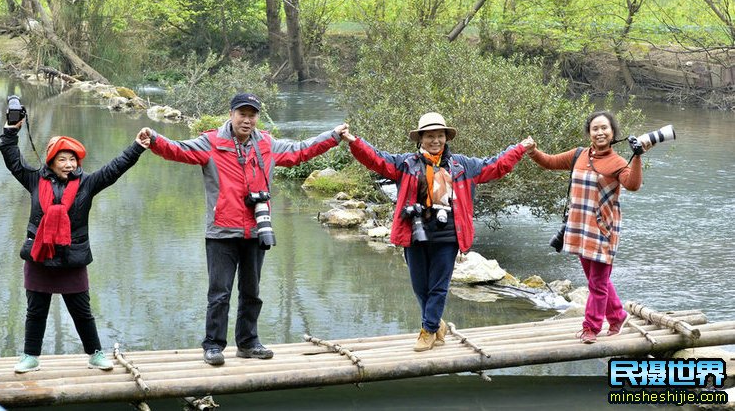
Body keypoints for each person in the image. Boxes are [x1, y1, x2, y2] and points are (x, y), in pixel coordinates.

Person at [137, 92, 348, 366]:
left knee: (252, 292)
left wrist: (332, 136)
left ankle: (248, 343)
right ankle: (213, 345)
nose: (247, 120)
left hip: (256, 231)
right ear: (231, 114)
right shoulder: (211, 142)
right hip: (221, 232)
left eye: (252, 115)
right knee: (219, 293)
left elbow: (300, 151)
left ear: (256, 118)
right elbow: (179, 149)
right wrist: (154, 139)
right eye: (242, 114)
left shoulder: (268, 144)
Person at [339, 112, 534, 352]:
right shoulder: (406, 164)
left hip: (449, 235)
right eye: (430, 136)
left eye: (440, 136)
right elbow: (376, 159)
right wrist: (353, 141)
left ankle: (428, 329)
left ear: (446, 138)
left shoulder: (462, 165)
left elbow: (495, 165)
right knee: (420, 287)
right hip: (415, 233)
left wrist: (520, 148)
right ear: (420, 138)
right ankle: (436, 324)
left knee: (439, 286)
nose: (435, 140)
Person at [0, 119, 148, 373]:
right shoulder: (35, 180)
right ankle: (30, 356)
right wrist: (10, 131)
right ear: (51, 161)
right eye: (63, 160)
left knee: (82, 311)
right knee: (36, 311)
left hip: (72, 258)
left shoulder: (87, 184)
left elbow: (114, 169)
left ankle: (96, 354)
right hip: (39, 256)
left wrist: (136, 147)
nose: (69, 164)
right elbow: (13, 159)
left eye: (73, 159)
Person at [526, 110, 642, 344]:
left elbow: (633, 184)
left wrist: (637, 156)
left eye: (604, 128)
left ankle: (591, 327)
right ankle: (617, 315)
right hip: (580, 228)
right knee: (596, 280)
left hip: (603, 231)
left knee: (598, 283)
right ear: (589, 133)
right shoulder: (579, 155)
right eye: (595, 128)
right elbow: (549, 162)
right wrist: (533, 151)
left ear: (612, 133)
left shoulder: (618, 162)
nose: (600, 132)